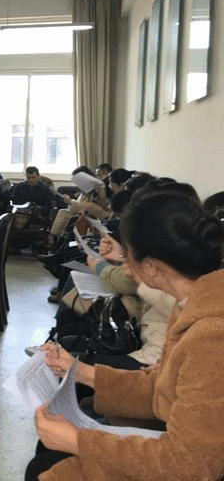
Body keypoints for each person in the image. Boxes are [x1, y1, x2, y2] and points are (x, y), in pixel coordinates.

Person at [26, 190, 224, 481]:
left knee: (46, 465)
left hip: (184, 464)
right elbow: (162, 387)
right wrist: (79, 371)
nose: (125, 264)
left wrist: (78, 441)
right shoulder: (192, 304)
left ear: (152, 268)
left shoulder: (211, 336)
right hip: (178, 445)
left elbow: (190, 464)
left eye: (128, 255)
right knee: (48, 454)